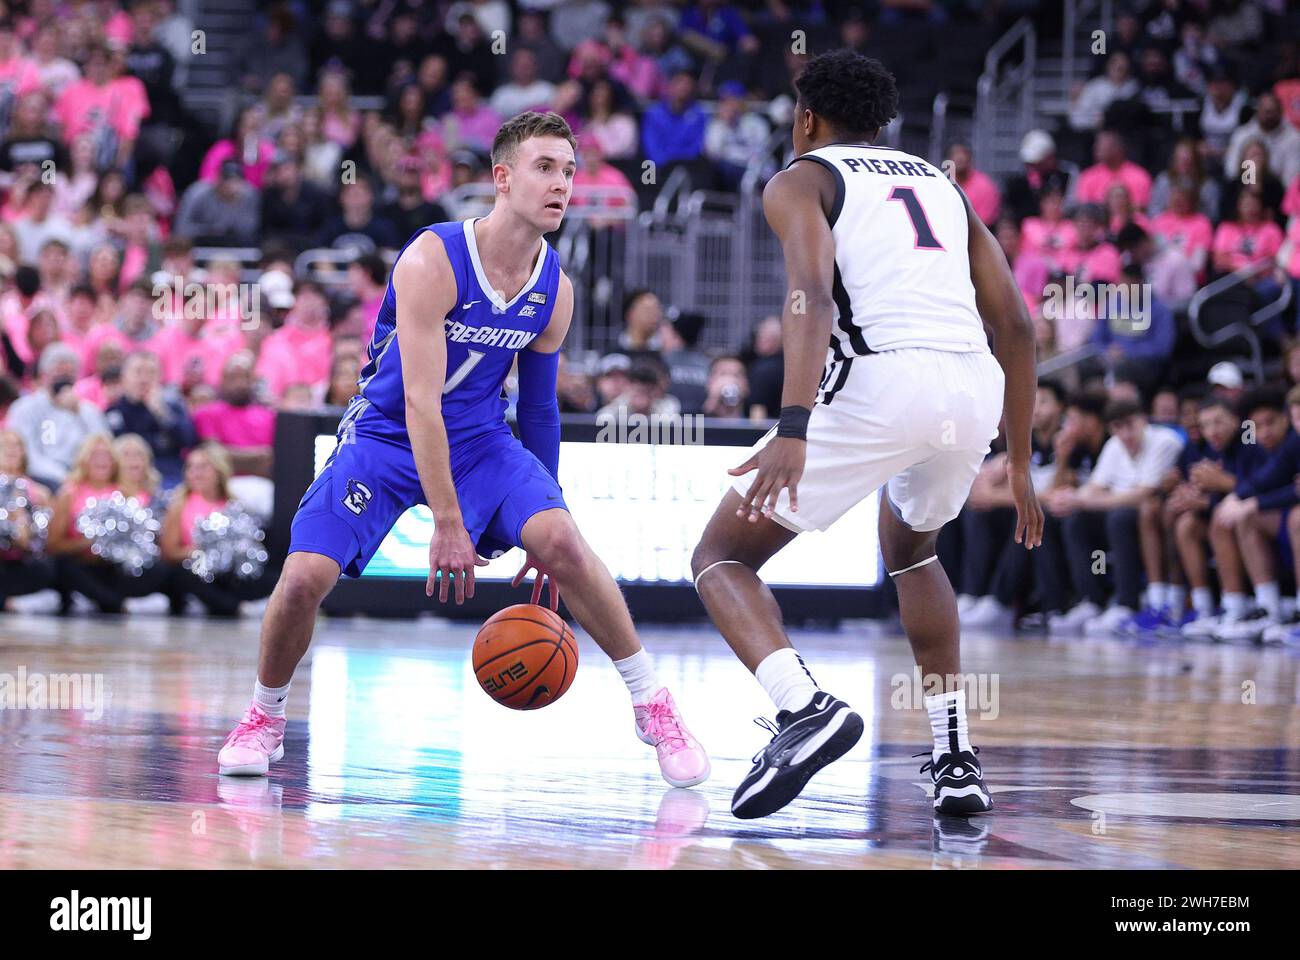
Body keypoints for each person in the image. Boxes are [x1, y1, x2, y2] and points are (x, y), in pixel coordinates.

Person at [216, 112, 710, 788]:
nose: (562, 184)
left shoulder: (554, 290)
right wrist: (448, 523)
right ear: (501, 179)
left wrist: (546, 519)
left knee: (565, 543)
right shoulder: (434, 258)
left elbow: (537, 408)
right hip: (388, 435)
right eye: (545, 167)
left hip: (481, 439)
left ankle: (653, 702)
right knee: (303, 578)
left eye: (569, 170)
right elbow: (420, 404)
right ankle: (264, 716)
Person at [689, 51, 1043, 821]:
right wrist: (1018, 461)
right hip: (973, 385)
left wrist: (793, 426)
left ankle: (804, 708)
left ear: (806, 119)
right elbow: (1015, 324)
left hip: (883, 379)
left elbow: (810, 296)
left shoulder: (803, 177)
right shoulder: (943, 183)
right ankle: (955, 759)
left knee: (720, 558)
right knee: (913, 551)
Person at [162, 443, 275, 617]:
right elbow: (169, 552)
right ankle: (234, 607)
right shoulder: (179, 504)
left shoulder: (234, 504)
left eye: (203, 467)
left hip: (228, 569)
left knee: (270, 576)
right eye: (191, 467)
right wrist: (200, 551)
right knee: (183, 576)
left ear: (218, 471)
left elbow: (249, 542)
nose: (195, 472)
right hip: (197, 566)